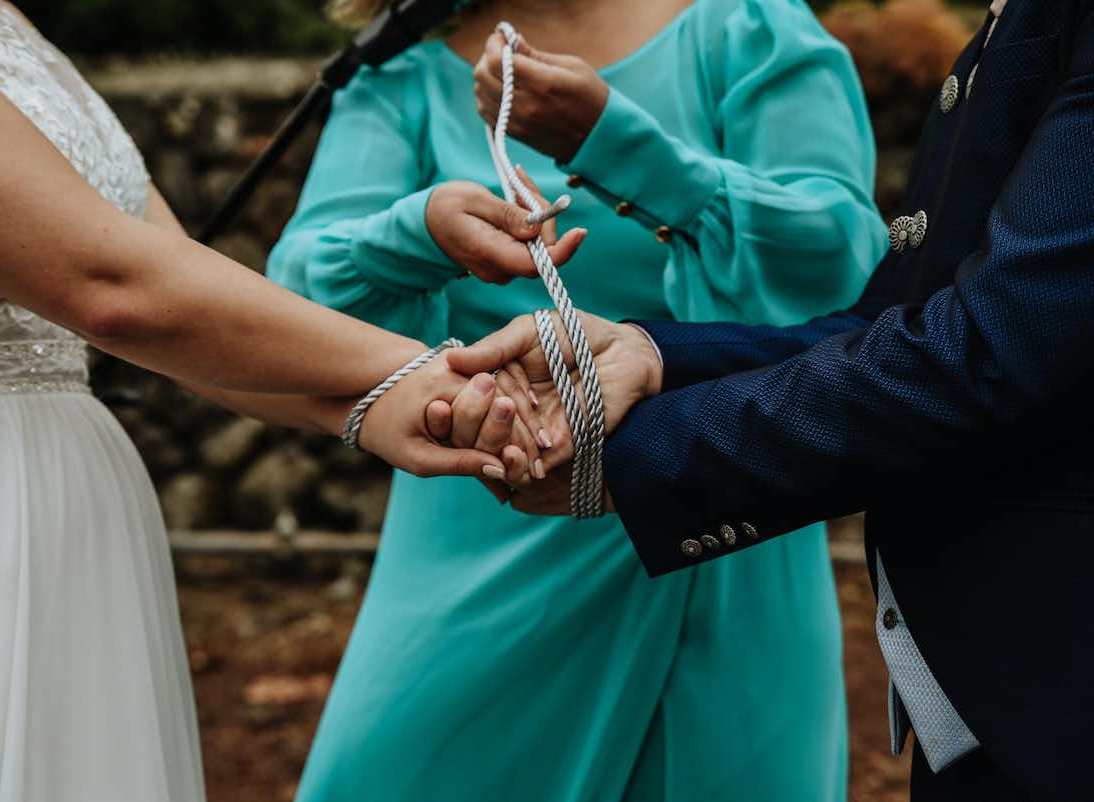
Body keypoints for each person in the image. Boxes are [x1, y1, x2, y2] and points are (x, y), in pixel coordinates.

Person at [451, 0, 1094, 798]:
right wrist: (655, 353)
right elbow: (899, 320)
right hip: (1009, 690)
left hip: (1076, 690)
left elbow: (980, 344)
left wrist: (634, 453)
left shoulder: (755, 30)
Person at [267, 0, 887, 798]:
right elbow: (295, 314)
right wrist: (417, 232)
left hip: (717, 525)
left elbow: (845, 272)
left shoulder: (750, 29)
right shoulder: (400, 80)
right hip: (480, 540)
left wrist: (621, 148)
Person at [0, 3, 544, 799]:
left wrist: (369, 405)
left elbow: (181, 314)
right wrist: (433, 368)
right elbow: (115, 290)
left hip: (61, 521)